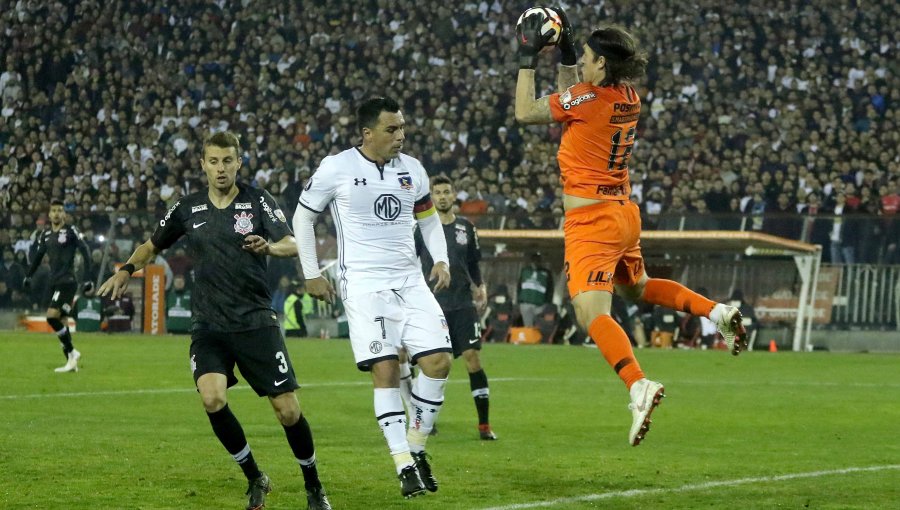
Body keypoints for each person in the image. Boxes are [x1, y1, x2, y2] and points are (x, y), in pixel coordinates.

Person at [514, 15, 747, 446]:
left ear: (601, 64)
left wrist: (527, 59)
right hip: (623, 212)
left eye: (585, 58)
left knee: (592, 315)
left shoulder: (586, 98)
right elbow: (574, 96)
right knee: (636, 288)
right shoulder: (628, 97)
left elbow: (526, 111)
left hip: (591, 222)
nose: (582, 64)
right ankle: (717, 313)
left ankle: (637, 384)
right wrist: (566, 53)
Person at [97, 132, 331, 510]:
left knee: (287, 409)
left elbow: (292, 243)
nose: (221, 168)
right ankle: (255, 477)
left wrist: (269, 246)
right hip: (209, 325)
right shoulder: (187, 208)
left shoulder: (257, 201)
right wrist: (127, 269)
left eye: (227, 161)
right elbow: (152, 245)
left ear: (239, 163)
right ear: (203, 164)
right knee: (212, 398)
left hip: (255, 321)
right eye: (213, 161)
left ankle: (314, 486)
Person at [292, 97, 452, 499]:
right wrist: (311, 274)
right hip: (363, 285)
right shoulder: (337, 167)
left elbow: (428, 219)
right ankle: (402, 464)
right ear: (367, 133)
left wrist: (442, 259)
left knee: (438, 361)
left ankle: (416, 448)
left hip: (410, 281)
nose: (401, 135)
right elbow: (303, 216)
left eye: (402, 128)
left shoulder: (413, 169)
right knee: (384, 370)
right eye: (391, 129)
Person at [415, 174, 497, 440]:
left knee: (473, 358)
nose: (441, 196)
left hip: (462, 303)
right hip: (432, 305)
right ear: (431, 196)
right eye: (436, 192)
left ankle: (484, 426)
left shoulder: (466, 228)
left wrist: (480, 285)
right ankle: (427, 419)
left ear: (454, 195)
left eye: (446, 192)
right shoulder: (423, 228)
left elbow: (473, 263)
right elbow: (411, 262)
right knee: (431, 364)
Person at [22, 199, 93, 372]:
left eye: (60, 210)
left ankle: (72, 351)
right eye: (53, 210)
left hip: (67, 281)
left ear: (64, 214)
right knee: (61, 320)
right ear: (49, 214)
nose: (56, 213)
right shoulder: (45, 235)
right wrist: (29, 276)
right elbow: (38, 257)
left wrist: (88, 278)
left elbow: (85, 251)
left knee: (51, 317)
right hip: (54, 282)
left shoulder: (70, 231)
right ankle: (71, 363)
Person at [516, 251, 554, 326]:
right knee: (528, 327)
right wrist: (519, 301)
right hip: (525, 303)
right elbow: (519, 287)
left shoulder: (546, 273)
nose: (535, 262)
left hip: (540, 305)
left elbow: (550, 289)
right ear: (531, 261)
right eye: (534, 260)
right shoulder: (525, 271)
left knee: (539, 326)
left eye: (538, 260)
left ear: (540, 262)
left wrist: (547, 303)